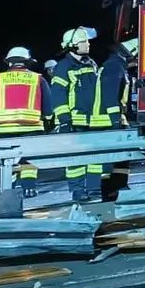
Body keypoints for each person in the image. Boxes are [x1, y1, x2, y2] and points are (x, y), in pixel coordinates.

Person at [50, 27, 108, 199]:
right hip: (75, 122)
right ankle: (77, 191)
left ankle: (94, 189)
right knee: (76, 160)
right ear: (73, 45)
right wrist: (64, 120)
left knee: (95, 159)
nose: (88, 44)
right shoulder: (63, 67)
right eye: (84, 41)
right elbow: (58, 95)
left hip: (94, 121)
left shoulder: (91, 63)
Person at [0, 48, 46, 139]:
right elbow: (48, 105)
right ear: (27, 62)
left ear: (9, 62)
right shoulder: (38, 79)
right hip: (32, 129)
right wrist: (49, 120)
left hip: (4, 130)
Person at [41, 59, 58, 132]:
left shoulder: (64, 80)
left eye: (53, 69)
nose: (51, 71)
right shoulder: (46, 82)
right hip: (51, 114)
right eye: (49, 69)